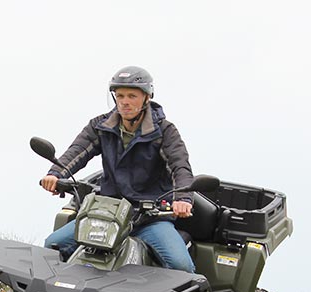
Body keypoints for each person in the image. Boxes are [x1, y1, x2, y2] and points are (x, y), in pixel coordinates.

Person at [40, 66, 196, 273]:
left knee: (181, 266)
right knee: (53, 244)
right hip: (106, 213)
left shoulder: (164, 131)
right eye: (120, 95)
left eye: (132, 95)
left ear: (146, 97)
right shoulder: (101, 126)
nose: (125, 101)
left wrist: (183, 199)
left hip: (150, 218)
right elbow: (77, 151)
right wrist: (55, 174)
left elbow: (180, 167)